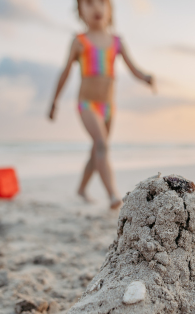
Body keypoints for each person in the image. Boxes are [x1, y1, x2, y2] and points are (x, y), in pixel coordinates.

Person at [48, 0, 156, 210]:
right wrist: (54, 101)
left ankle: (81, 189)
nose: (96, 8)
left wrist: (146, 78)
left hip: (108, 106)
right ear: (80, 11)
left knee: (97, 150)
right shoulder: (80, 41)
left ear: (110, 10)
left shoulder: (117, 41)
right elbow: (65, 71)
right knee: (102, 144)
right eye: (88, 3)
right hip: (87, 103)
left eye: (101, 3)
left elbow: (133, 69)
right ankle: (113, 195)